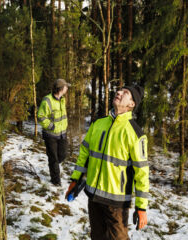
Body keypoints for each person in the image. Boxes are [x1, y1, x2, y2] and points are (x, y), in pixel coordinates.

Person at [66, 85, 149, 240]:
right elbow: (84, 153)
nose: (119, 92)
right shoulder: (98, 124)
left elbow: (142, 173)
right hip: (93, 196)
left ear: (132, 104)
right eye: (120, 90)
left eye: (125, 93)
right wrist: (75, 179)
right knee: (97, 236)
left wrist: (141, 207)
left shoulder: (135, 133)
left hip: (116, 202)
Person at [38, 79, 71, 186]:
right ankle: (56, 181)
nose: (67, 88)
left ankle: (53, 165)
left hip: (62, 134)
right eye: (66, 87)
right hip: (50, 135)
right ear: (61, 89)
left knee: (62, 155)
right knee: (54, 159)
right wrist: (52, 126)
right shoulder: (47, 100)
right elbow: (41, 117)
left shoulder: (62, 99)